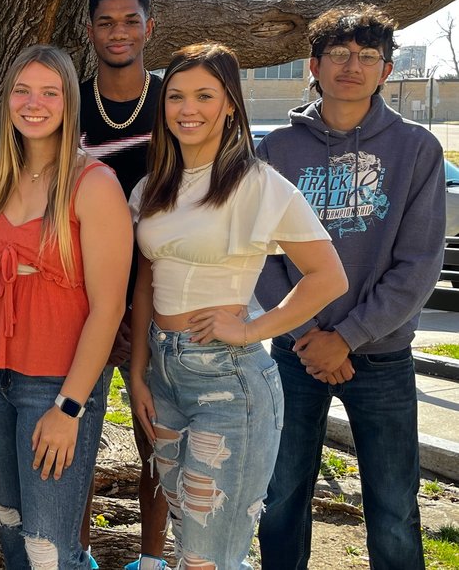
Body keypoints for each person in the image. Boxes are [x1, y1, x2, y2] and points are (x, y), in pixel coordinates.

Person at [128, 42, 347, 569]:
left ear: (230, 104)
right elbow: (146, 283)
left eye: (204, 96)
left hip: (228, 383)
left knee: (208, 558)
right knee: (192, 542)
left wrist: (251, 330)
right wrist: (137, 373)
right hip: (164, 376)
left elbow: (328, 277)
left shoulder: (257, 184)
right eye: (175, 96)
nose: (187, 109)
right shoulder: (153, 187)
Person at [256, 6, 444, 570]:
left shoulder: (417, 149)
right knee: (280, 498)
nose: (352, 66)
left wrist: (347, 337)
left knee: (393, 508)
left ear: (386, 70)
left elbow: (418, 265)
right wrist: (310, 334)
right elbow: (262, 257)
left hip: (383, 356)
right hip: (296, 353)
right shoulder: (276, 150)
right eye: (338, 54)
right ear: (314, 66)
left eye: (367, 56)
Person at [0, 44, 132, 570]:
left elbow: (109, 308)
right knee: (9, 523)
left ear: (69, 102)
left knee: (48, 547)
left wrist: (69, 407)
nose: (34, 103)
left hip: (56, 385)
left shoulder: (94, 185)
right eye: (22, 91)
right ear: (7, 99)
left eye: (49, 92)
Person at [79, 0, 167, 570]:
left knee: (155, 435)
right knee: (74, 434)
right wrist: (100, 309)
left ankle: (152, 559)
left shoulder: (172, 100)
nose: (119, 32)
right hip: (80, 297)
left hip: (160, 295)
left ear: (148, 27)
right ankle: (77, 553)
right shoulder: (70, 103)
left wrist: (142, 307)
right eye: (106, 22)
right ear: (90, 31)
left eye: (130, 21)